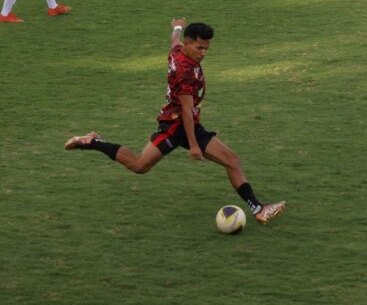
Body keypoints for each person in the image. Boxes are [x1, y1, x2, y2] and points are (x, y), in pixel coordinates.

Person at [64, 19, 287, 225]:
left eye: (207, 49)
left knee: (232, 160)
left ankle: (259, 210)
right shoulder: (184, 72)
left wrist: (177, 27)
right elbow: (187, 112)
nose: (203, 53)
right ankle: (92, 141)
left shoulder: (179, 51)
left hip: (188, 124)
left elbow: (174, 41)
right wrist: (193, 145)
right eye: (200, 48)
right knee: (139, 165)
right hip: (174, 126)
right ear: (189, 45)